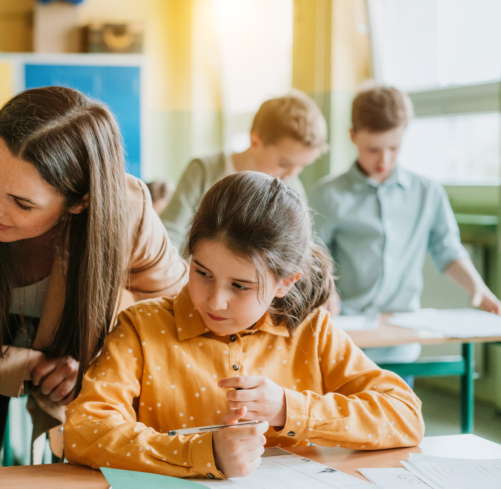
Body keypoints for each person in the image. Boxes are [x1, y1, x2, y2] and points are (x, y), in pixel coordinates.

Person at [0, 86, 187, 464]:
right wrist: (25, 365)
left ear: (81, 202)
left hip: (66, 386)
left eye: (23, 203)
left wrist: (98, 361)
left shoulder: (129, 212)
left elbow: (175, 325)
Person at [64, 172, 424, 480]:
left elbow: (405, 416)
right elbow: (83, 431)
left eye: (240, 286)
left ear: (286, 282)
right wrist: (203, 453)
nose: (215, 301)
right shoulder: (142, 328)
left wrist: (288, 408)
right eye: (202, 272)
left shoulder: (311, 331)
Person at [311, 86, 501, 369]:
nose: (384, 160)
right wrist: (326, 290)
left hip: (401, 336)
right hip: (344, 335)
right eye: (373, 149)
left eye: (393, 148)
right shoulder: (327, 194)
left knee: (398, 409)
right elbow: (309, 254)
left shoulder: (428, 192)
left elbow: (447, 249)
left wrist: (479, 289)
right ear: (353, 136)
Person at [160, 90, 327, 252]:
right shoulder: (204, 171)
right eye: (284, 163)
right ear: (255, 142)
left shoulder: (291, 188)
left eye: (301, 166)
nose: (292, 174)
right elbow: (169, 233)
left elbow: (301, 249)